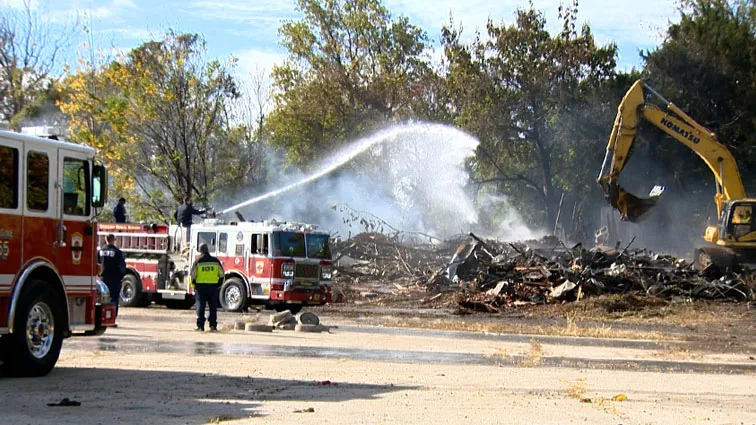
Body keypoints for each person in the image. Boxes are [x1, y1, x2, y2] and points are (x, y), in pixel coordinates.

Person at [190, 243, 224, 332]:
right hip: (213, 288)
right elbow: (222, 275)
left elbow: (192, 276)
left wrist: (194, 286)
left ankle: (200, 326)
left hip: (200, 288)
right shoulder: (215, 261)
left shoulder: (197, 262)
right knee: (213, 307)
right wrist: (218, 286)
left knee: (200, 307)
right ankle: (213, 326)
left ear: (200, 251)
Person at [99, 234, 127, 320]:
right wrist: (121, 277)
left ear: (105, 239)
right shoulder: (117, 252)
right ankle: (111, 318)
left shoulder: (100, 251)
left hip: (102, 279)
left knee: (102, 299)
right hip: (114, 279)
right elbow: (122, 267)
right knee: (114, 299)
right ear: (113, 240)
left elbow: (97, 264)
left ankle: (102, 318)